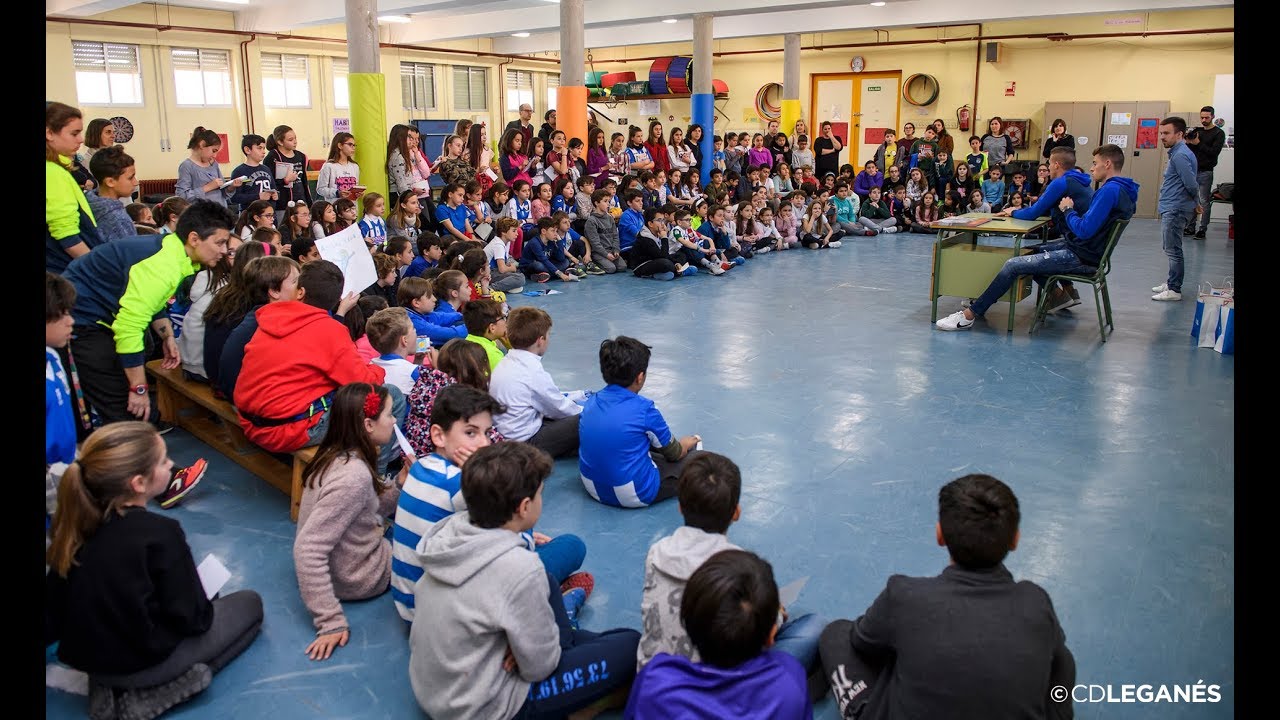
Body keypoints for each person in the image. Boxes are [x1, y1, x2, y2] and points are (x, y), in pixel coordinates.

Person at [46, 422, 263, 719]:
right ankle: (156, 692)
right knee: (250, 605)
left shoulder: (72, 524)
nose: (172, 464)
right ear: (138, 483)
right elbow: (194, 621)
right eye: (163, 461)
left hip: (89, 661)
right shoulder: (160, 533)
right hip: (143, 663)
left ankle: (106, 688)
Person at [409, 441, 637, 720]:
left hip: (438, 690)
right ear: (524, 506)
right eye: (541, 494)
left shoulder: (446, 534)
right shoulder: (520, 568)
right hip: (487, 707)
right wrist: (528, 650)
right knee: (631, 646)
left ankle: (559, 629)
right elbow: (540, 668)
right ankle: (583, 703)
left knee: (550, 583)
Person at [818, 474, 1075, 720]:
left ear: (939, 535)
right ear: (1015, 540)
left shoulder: (905, 596)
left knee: (837, 634)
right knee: (1061, 657)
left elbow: (862, 642)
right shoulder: (1036, 601)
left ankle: (860, 710)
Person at [636, 452, 823, 670]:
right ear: (736, 512)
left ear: (680, 506)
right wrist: (776, 615)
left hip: (652, 678)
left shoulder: (657, 552)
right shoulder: (740, 568)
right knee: (813, 626)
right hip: (714, 687)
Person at [62, 200, 232, 436]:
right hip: (78, 318)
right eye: (220, 242)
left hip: (96, 314)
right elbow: (129, 327)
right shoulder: (163, 265)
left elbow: (151, 301)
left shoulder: (173, 252)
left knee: (123, 381)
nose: (224, 250)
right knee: (117, 398)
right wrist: (139, 388)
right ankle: (132, 445)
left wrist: (167, 335)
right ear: (194, 239)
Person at [936, 144, 1138, 331]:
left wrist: (1068, 210)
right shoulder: (1123, 189)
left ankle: (970, 315)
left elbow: (1084, 229)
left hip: (1082, 255)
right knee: (1030, 252)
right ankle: (1058, 297)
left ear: (1108, 164)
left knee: (1013, 264)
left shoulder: (1109, 190)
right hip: (1089, 251)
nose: (1092, 168)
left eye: (1095, 163)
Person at [235, 260, 407, 476]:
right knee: (391, 395)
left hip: (251, 421)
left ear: (301, 292)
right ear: (337, 299)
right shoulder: (328, 330)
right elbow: (366, 383)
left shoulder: (272, 317)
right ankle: (377, 476)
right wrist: (378, 370)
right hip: (287, 430)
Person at [626, 549, 813, 720]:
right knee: (815, 625)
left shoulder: (655, 680)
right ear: (772, 636)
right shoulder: (789, 679)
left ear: (688, 625)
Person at [293, 383, 404, 662]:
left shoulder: (334, 455)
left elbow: (367, 508)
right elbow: (308, 549)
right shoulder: (354, 476)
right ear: (368, 424)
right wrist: (329, 620)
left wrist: (399, 485)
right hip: (358, 578)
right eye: (389, 415)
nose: (393, 420)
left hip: (341, 568)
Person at [578, 336, 704, 508]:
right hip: (634, 493)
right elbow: (674, 453)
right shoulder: (645, 409)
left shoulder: (591, 401)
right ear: (640, 377)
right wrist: (685, 444)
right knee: (701, 459)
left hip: (591, 485)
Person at [999, 146, 1095, 311]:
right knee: (1040, 249)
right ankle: (1070, 291)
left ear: (1056, 164)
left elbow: (1033, 213)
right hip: (1083, 243)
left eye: (1049, 164)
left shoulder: (1060, 183)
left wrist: (1013, 211)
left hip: (1077, 247)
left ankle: (1057, 296)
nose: (1048, 167)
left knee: (1029, 254)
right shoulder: (1080, 180)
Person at [489, 306, 584, 459]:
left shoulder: (507, 360)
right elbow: (559, 408)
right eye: (548, 335)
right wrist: (586, 410)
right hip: (524, 442)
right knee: (586, 419)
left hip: (510, 432)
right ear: (540, 340)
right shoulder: (531, 371)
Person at [46, 102, 104, 274]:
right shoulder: (51, 172)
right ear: (49, 133)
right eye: (74, 133)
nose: (81, 139)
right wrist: (99, 269)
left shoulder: (57, 169)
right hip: (64, 270)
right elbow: (67, 234)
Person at [1148, 116, 1200, 302]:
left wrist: (1197, 202)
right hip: (1174, 206)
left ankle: (1174, 289)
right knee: (1170, 247)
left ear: (1179, 134)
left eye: (1166, 133)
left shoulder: (1180, 155)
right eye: (1161, 133)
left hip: (1176, 208)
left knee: (1173, 249)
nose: (1162, 137)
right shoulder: (1179, 153)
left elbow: (1191, 183)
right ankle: (1171, 283)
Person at [1184, 106, 1226, 240]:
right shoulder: (1197, 131)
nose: (1203, 120)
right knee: (1191, 199)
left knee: (1204, 201)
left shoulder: (1218, 133)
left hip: (1206, 171)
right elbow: (1190, 147)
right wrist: (1189, 141)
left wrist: (1198, 143)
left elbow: (1214, 153)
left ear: (1213, 116)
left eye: (1206, 117)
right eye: (1202, 117)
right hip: (1192, 170)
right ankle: (1190, 227)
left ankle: (1202, 229)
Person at [176, 127, 244, 207]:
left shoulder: (214, 164)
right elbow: (182, 196)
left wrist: (231, 187)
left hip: (220, 212)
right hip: (201, 214)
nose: (215, 156)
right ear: (202, 144)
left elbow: (223, 192)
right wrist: (207, 187)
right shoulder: (186, 166)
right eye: (213, 151)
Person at [86, 145, 141, 243]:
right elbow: (129, 253)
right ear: (110, 182)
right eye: (130, 178)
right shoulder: (118, 220)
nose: (136, 182)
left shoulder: (89, 202)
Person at [229, 134, 278, 212]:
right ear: (247, 150)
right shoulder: (239, 171)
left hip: (268, 213)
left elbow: (273, 188)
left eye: (264, 148)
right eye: (259, 148)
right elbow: (234, 198)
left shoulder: (266, 169)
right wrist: (258, 196)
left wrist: (275, 195)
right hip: (250, 215)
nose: (263, 151)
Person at [462, 297, 508, 371]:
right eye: (503, 318)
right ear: (492, 328)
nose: (506, 322)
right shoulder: (493, 356)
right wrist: (511, 347)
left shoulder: (468, 341)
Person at [317, 132, 361, 203]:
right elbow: (320, 189)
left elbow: (355, 186)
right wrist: (337, 193)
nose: (353, 148)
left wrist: (357, 193)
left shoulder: (355, 166)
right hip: (334, 208)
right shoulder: (329, 166)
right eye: (350, 144)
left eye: (354, 145)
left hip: (351, 208)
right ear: (340, 145)